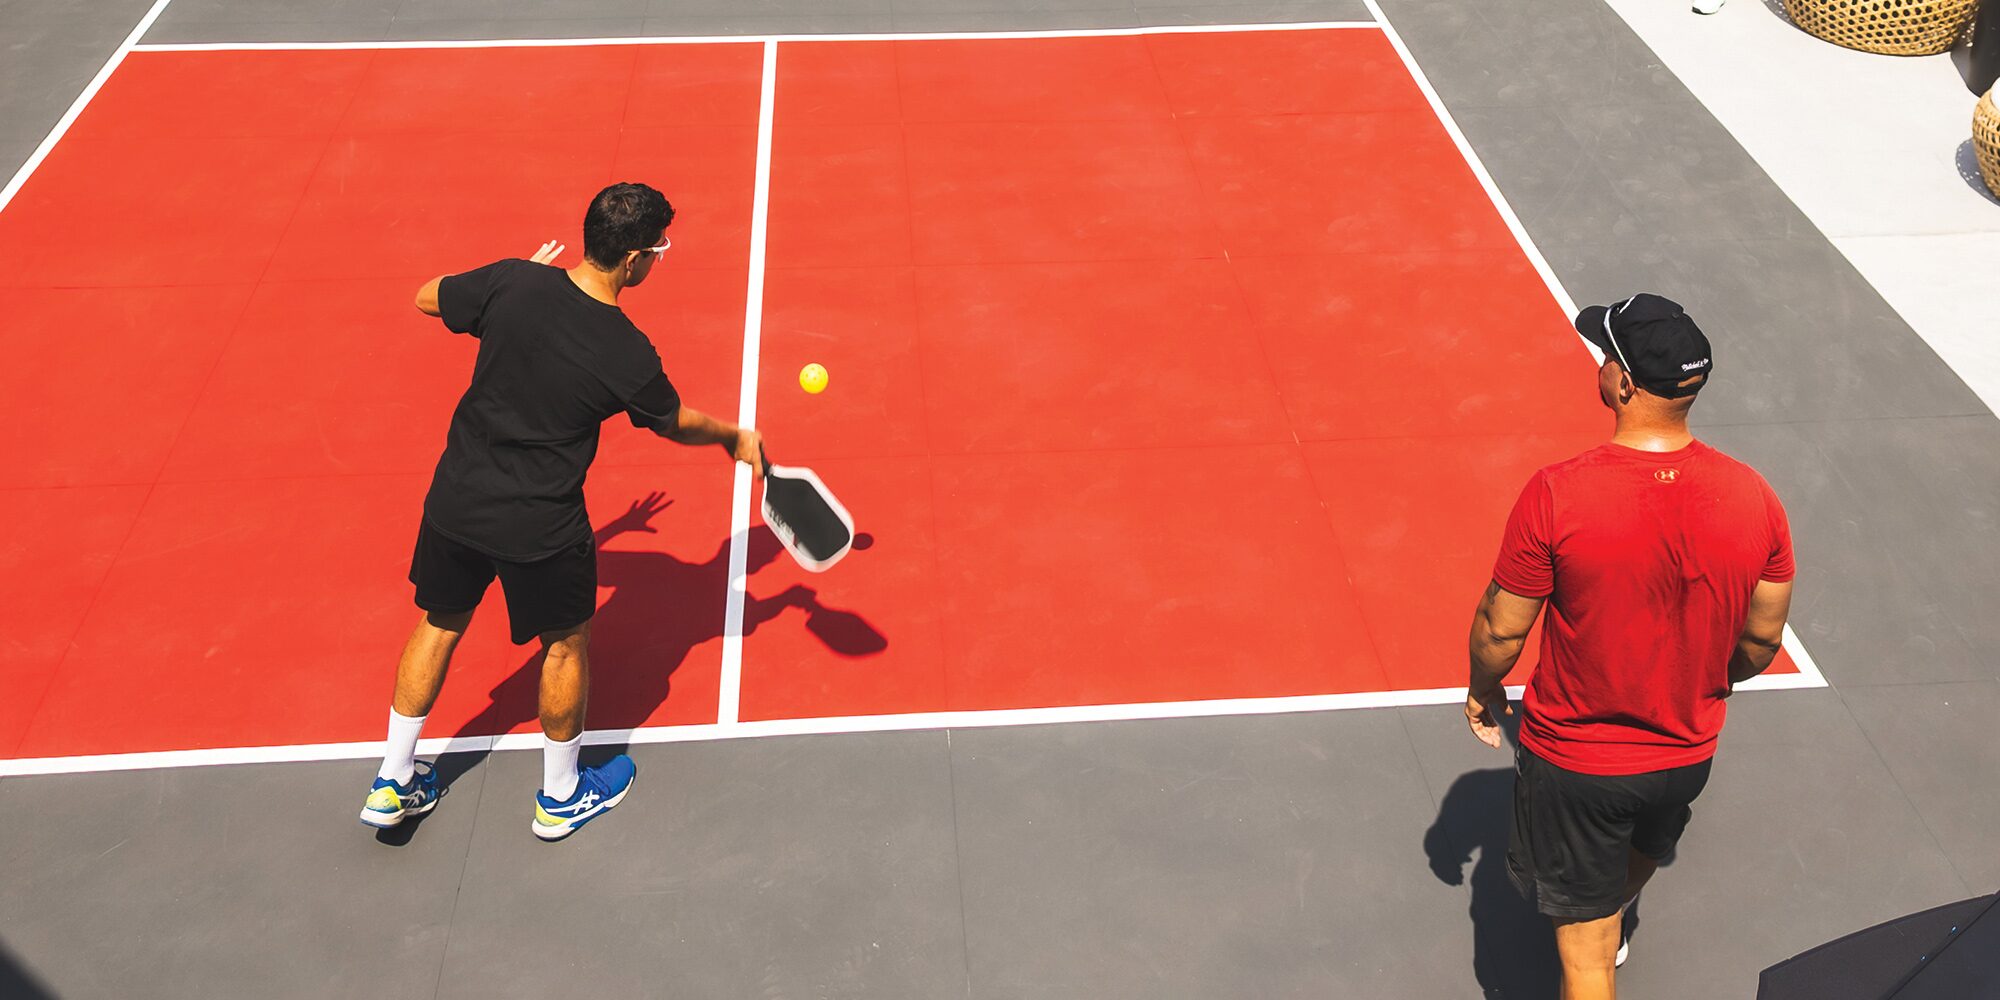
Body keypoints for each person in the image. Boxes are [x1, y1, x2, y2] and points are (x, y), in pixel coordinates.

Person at [359, 182, 763, 842]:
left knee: (439, 622)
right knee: (565, 646)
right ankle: (560, 796)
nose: (659, 260)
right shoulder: (625, 350)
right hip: (540, 525)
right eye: (659, 250)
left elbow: (427, 295)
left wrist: (513, 285)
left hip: (456, 500)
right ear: (633, 260)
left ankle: (393, 778)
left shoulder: (515, 283)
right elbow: (672, 422)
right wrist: (731, 437)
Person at [1463, 293, 1794, 999]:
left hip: (1579, 766)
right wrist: (1703, 680)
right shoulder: (1754, 496)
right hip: (1686, 755)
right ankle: (1611, 912)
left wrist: (1483, 688)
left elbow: (1500, 627)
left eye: (1606, 355)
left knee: (1582, 961)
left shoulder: (1557, 493)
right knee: (1637, 858)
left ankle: (1600, 923)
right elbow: (1763, 639)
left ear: (1621, 383)